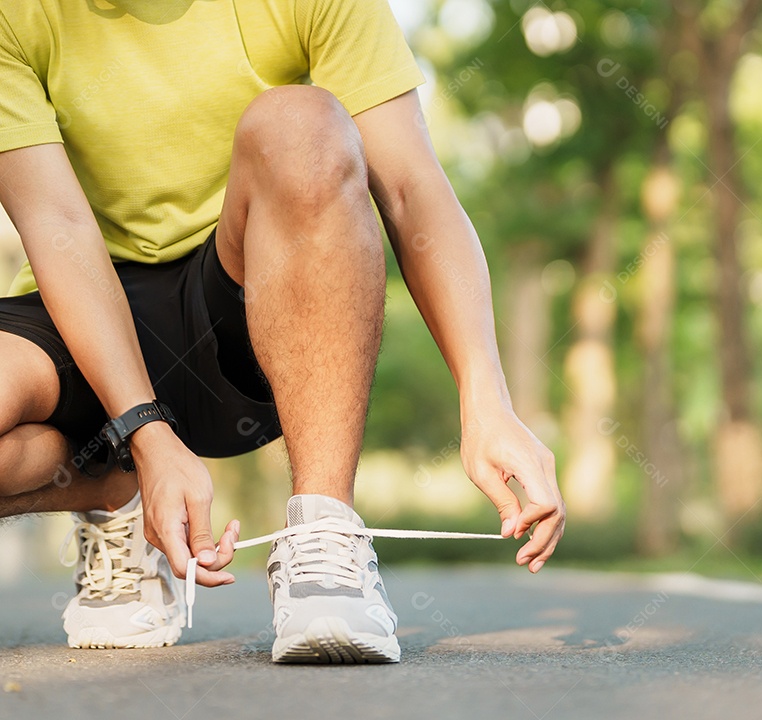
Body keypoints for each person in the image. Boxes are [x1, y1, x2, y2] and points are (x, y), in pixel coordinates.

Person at [0, 0, 565, 663]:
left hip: (246, 308)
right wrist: (144, 434)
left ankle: (324, 536)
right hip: (84, 316)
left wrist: (485, 396)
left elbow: (412, 189)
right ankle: (112, 485)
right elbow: (58, 229)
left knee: (301, 122)